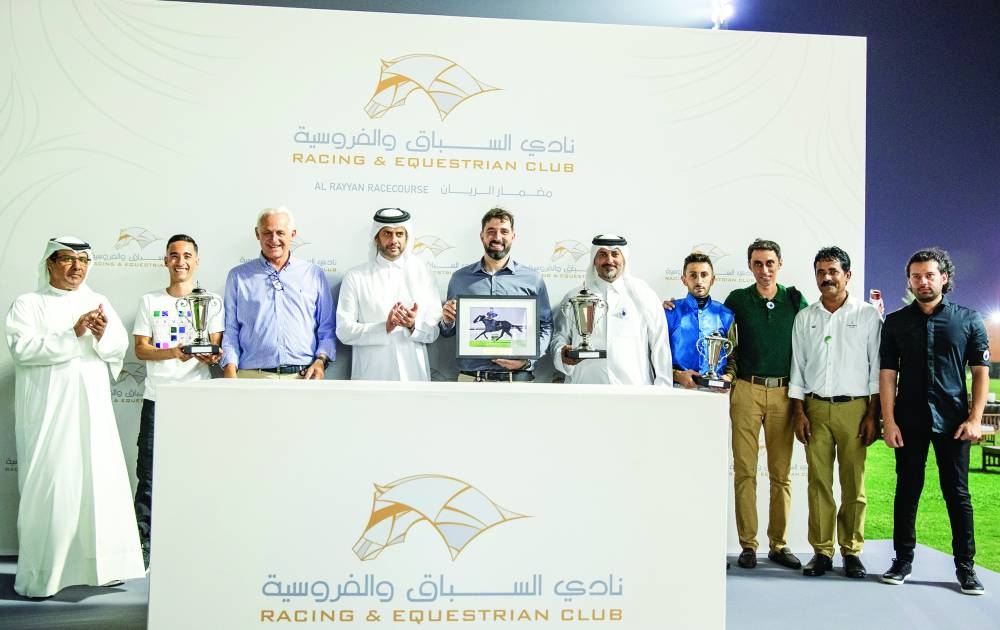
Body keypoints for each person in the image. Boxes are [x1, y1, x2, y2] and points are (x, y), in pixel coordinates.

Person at [4, 236, 144, 597]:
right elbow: (22, 349)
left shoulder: (98, 302)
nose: (76, 267)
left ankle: (103, 568)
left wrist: (101, 334)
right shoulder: (28, 304)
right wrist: (74, 332)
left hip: (94, 414)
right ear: (50, 263)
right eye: (67, 259)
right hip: (49, 414)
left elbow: (118, 348)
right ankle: (44, 575)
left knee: (99, 484)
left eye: (83, 260)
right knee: (54, 488)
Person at [879, 247, 988, 595]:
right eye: (916, 276)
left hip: (954, 422)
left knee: (957, 494)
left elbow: (980, 373)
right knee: (907, 492)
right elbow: (887, 375)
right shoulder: (896, 322)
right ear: (909, 281)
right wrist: (889, 421)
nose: (923, 281)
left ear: (944, 278)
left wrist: (975, 419)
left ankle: (966, 568)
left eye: (929, 275)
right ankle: (902, 561)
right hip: (908, 421)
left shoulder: (968, 320)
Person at [789, 246, 881, 578]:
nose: (826, 278)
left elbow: (876, 369)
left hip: (855, 409)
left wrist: (872, 415)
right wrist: (799, 412)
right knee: (819, 483)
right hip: (814, 408)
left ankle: (851, 551)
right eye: (821, 272)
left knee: (853, 483)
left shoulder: (868, 316)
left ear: (847, 275)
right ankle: (822, 551)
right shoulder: (805, 317)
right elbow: (798, 367)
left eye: (833, 272)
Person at [132, 234, 223, 568]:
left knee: (197, 472)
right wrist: (174, 352)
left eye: (187, 255)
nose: (180, 261)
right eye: (174, 255)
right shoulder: (149, 301)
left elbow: (214, 345)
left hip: (196, 399)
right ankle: (143, 544)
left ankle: (193, 541)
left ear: (196, 261)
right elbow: (140, 349)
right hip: (158, 398)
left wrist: (211, 356)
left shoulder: (211, 301)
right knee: (149, 475)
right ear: (165, 260)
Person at [725, 238, 807, 570]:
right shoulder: (737, 300)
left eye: (770, 263)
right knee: (745, 472)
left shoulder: (794, 299)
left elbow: (809, 342)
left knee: (781, 474)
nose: (764, 269)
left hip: (784, 393)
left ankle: (779, 544)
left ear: (780, 264)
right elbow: (715, 328)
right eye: (757, 263)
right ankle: (748, 545)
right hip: (746, 389)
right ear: (749, 266)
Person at [221, 207, 335, 379]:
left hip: (303, 377)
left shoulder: (313, 274)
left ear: (293, 234)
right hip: (251, 377)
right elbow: (231, 329)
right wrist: (230, 372)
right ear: (257, 234)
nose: (274, 239)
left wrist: (321, 360)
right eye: (267, 233)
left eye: (280, 232)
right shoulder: (238, 276)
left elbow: (327, 327)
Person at [439, 208, 552, 382]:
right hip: (471, 381)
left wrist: (528, 361)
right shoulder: (460, 279)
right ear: (482, 236)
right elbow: (448, 332)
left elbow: (545, 326)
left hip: (519, 380)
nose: (497, 237)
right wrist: (447, 321)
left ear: (513, 236)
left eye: (504, 231)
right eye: (491, 231)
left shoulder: (533, 279)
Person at [336, 207, 441, 380]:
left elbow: (433, 331)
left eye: (399, 234)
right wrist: (384, 327)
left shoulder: (423, 274)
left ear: (407, 237)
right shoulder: (355, 277)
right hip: (371, 376)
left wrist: (413, 325)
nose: (394, 240)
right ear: (376, 237)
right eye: (387, 234)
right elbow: (344, 331)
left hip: (413, 376)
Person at [552, 235, 672, 385]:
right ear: (594, 260)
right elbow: (560, 336)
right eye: (602, 254)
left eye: (615, 254)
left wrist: (663, 388)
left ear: (624, 259)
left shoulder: (645, 296)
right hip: (584, 388)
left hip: (634, 391)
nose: (609, 260)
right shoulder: (575, 297)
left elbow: (660, 345)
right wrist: (562, 355)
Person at [666, 252, 736, 389]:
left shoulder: (726, 315)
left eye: (704, 275)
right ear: (684, 279)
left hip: (716, 390)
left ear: (712, 279)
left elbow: (733, 357)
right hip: (678, 389)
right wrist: (677, 375)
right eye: (693, 275)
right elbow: (655, 355)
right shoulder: (670, 312)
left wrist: (728, 377)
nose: (699, 281)